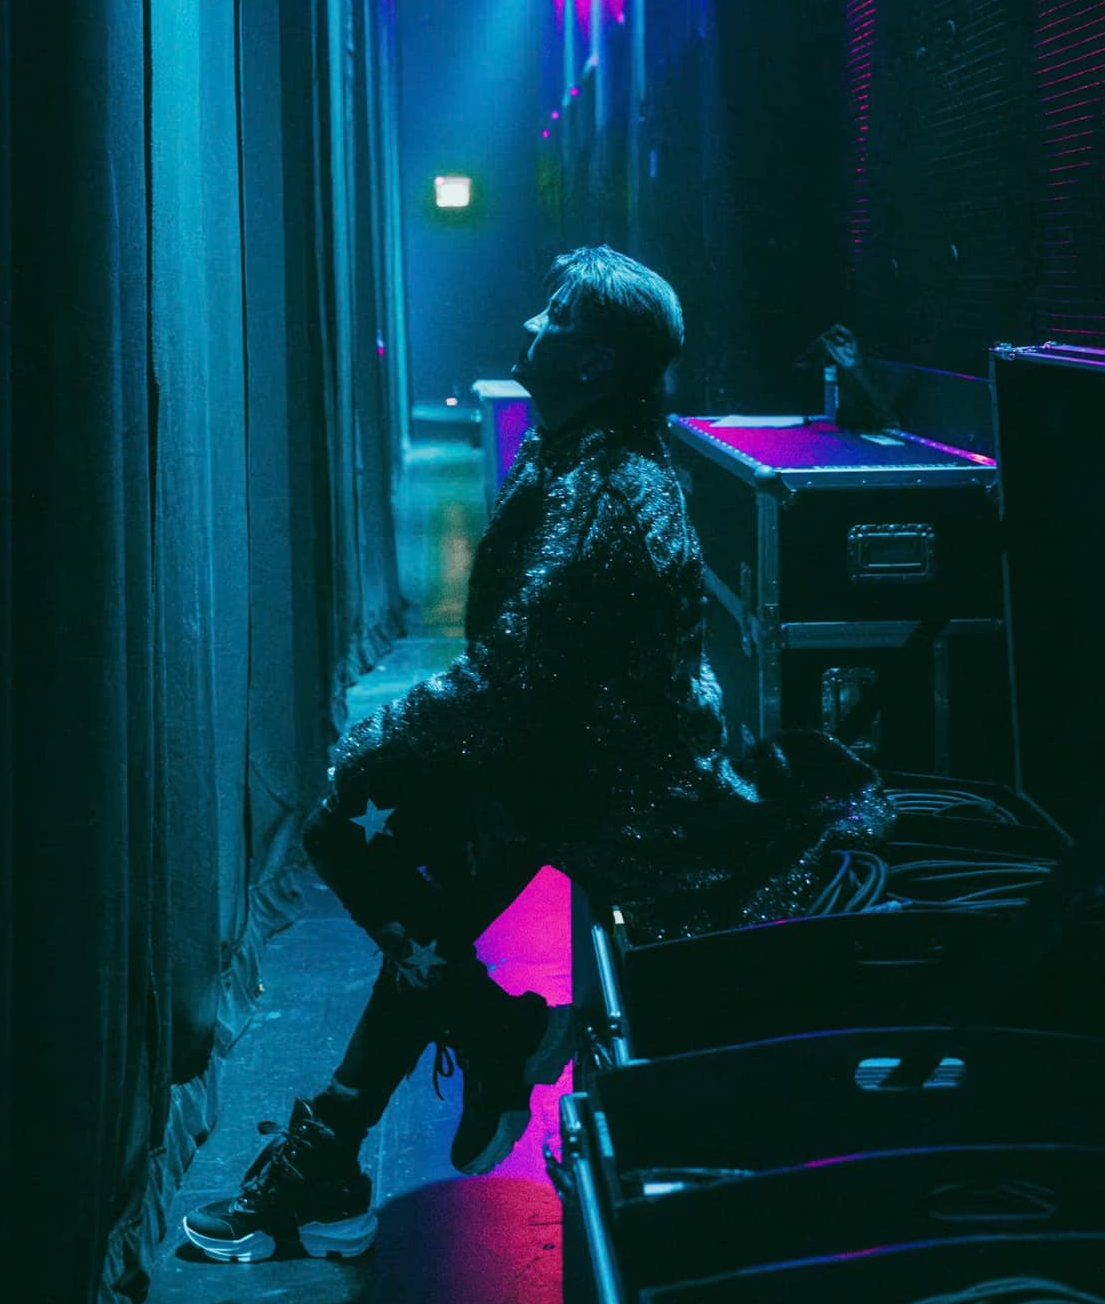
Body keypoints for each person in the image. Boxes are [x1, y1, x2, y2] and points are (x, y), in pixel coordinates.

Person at [182, 245, 892, 1263]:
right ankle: (422, 1085)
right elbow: (529, 681)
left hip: (620, 793)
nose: (530, 325)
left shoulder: (610, 487)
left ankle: (449, 1069)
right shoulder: (580, 450)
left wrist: (376, 739)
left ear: (595, 360)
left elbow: (515, 671)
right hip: (561, 768)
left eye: (555, 315)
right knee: (426, 917)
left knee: (349, 827)